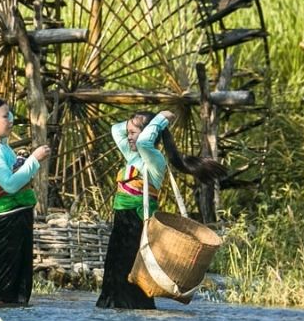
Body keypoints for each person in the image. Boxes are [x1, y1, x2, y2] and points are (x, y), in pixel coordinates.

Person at [96, 109, 225, 309]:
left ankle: (133, 308)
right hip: (122, 221)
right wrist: (136, 122)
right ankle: (111, 307)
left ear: (149, 133)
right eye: (128, 132)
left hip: (139, 221)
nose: (128, 137)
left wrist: (161, 119)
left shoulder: (154, 158)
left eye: (133, 132)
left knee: (134, 270)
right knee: (114, 267)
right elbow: (115, 130)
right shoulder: (132, 156)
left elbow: (144, 141)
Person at [0, 97, 50, 304]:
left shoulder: (2, 147)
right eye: (5, 116)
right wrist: (34, 160)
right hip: (6, 223)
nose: (11, 120)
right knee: (4, 286)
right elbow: (11, 185)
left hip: (18, 219)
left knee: (19, 280)